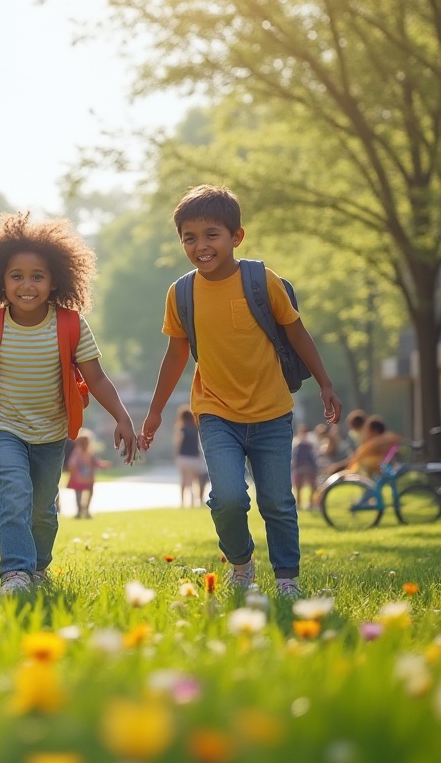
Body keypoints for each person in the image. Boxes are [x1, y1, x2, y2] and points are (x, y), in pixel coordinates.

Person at [0, 211, 138, 594]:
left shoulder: (71, 324)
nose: (27, 285)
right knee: (13, 492)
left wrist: (122, 417)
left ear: (55, 281)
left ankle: (38, 569)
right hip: (4, 426)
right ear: (0, 280)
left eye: (38, 276)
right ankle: (15, 572)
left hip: (52, 430)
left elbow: (96, 377)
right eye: (17, 276)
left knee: (43, 511)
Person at [137, 185, 341, 599]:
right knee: (227, 498)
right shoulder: (181, 293)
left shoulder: (260, 280)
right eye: (189, 238)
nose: (201, 246)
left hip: (271, 412)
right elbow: (176, 354)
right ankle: (241, 562)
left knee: (277, 502)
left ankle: (287, 580)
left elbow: (296, 332)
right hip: (215, 412)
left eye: (211, 234)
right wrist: (156, 411)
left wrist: (325, 383)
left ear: (236, 237)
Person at [64, 428, 109, 519]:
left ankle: (84, 511)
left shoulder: (88, 453)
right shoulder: (77, 453)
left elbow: (95, 462)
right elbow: (72, 463)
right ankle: (81, 511)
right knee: (79, 494)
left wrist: (102, 465)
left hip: (85, 478)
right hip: (80, 478)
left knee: (84, 494)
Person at [173, 405, 208, 508]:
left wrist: (176, 456)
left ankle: (183, 502)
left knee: (184, 480)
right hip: (194, 458)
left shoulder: (181, 429)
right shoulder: (196, 429)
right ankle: (194, 501)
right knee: (193, 481)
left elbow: (178, 443)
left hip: (183, 457)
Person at [291, 424, 319, 510]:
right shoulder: (296, 441)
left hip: (308, 466)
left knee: (312, 486)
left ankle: (311, 503)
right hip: (300, 467)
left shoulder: (311, 441)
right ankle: (299, 505)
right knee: (298, 487)